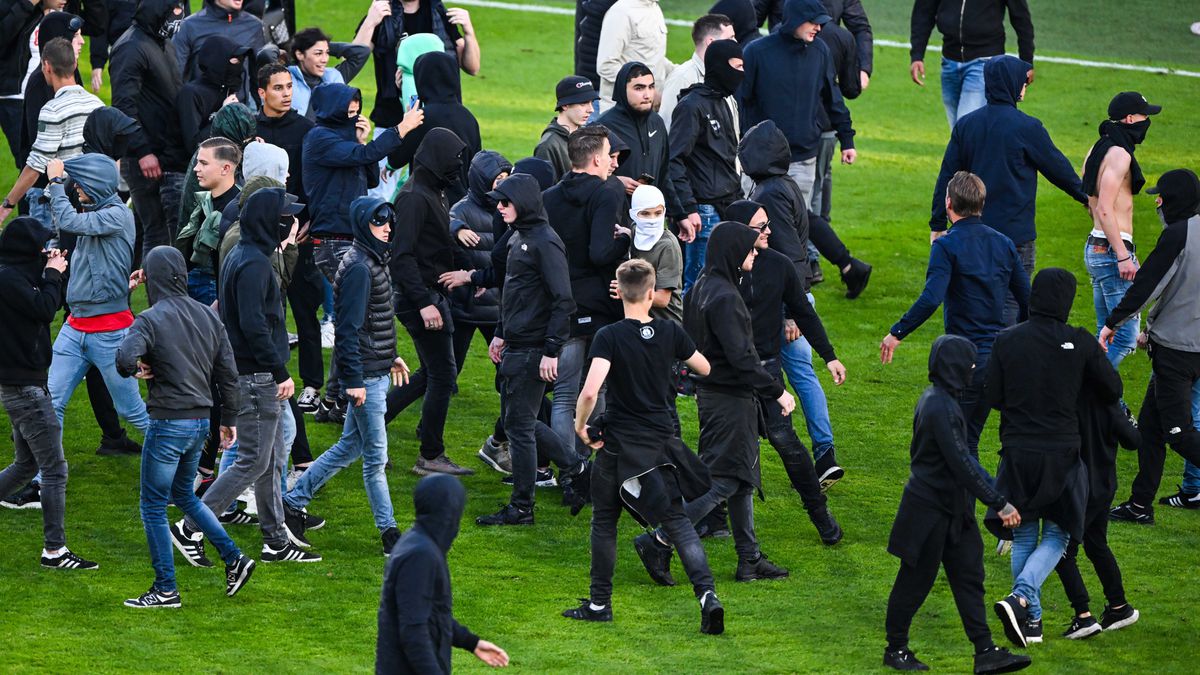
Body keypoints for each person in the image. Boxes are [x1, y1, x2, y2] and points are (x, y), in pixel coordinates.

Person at [564, 258, 725, 634]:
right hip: (660, 446)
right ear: (652, 293)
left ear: (618, 291)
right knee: (678, 523)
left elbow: (590, 391)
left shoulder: (609, 335)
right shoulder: (671, 332)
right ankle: (707, 596)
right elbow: (704, 368)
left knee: (604, 522)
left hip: (619, 445)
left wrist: (580, 425)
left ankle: (599, 603)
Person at [635, 222, 794, 582]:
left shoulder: (701, 289)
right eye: (751, 249)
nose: (756, 253)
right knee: (723, 481)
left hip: (712, 394)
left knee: (740, 478)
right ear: (735, 253)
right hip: (731, 400)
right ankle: (659, 540)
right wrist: (777, 391)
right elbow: (742, 358)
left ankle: (749, 558)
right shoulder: (725, 297)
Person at [171, 187, 320, 566]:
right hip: (255, 376)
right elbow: (255, 325)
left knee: (269, 461)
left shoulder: (245, 253)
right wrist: (281, 371)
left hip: (249, 371)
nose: (292, 220)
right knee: (253, 461)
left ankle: (274, 542)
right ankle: (191, 527)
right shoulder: (254, 263)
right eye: (285, 215)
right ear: (270, 220)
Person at [987, 268, 1122, 649]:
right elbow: (1113, 389)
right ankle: (1021, 597)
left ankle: (1032, 624)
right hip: (1061, 455)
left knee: (1025, 531)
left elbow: (994, 396)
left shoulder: (1006, 340)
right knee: (1060, 534)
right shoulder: (1079, 341)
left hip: (1016, 452)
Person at [116, 246, 255, 608]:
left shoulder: (150, 318)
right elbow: (228, 375)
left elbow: (123, 357)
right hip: (200, 425)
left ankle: (165, 589)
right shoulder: (208, 316)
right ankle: (234, 559)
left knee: (152, 506)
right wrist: (228, 421)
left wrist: (140, 367)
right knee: (185, 495)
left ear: (151, 277)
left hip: (168, 423)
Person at [882, 335, 1029, 674]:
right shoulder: (940, 407)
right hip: (930, 512)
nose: (974, 369)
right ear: (954, 367)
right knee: (915, 581)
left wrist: (998, 495)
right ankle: (896, 649)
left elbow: (964, 462)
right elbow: (961, 462)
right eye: (969, 363)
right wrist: (999, 503)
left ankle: (985, 651)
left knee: (969, 576)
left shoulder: (940, 401)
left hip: (953, 511)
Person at [283, 197, 412, 555]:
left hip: (374, 371)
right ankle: (389, 535)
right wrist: (353, 380)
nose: (388, 227)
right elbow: (349, 329)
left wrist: (391, 357)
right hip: (366, 381)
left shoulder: (372, 259)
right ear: (361, 225)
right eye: (379, 221)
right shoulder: (359, 267)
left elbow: (374, 323)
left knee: (349, 447)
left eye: (389, 220)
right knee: (375, 459)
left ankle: (292, 501)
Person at [928, 55, 1087, 326]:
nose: (1025, 88)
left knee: (973, 307)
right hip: (1016, 238)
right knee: (1012, 313)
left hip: (972, 236)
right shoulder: (1027, 127)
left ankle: (972, 362)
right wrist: (1087, 197)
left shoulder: (967, 125)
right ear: (1013, 84)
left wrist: (937, 223)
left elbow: (947, 175)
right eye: (1023, 82)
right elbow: (1058, 169)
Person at [882, 171, 1030, 453]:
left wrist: (897, 332)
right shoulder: (1004, 244)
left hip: (964, 361)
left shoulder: (946, 245)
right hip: (995, 360)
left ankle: (973, 497)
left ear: (948, 203)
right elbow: (1028, 300)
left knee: (954, 446)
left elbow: (931, 298)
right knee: (967, 440)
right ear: (981, 204)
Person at [303, 82, 422, 423]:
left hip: (350, 239)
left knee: (351, 318)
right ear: (332, 107)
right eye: (348, 105)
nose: (354, 110)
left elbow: (369, 174)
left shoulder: (342, 141)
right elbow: (363, 158)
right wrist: (400, 129)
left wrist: (362, 139)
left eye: (357, 105)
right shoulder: (320, 138)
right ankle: (341, 397)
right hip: (333, 243)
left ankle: (333, 399)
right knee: (357, 318)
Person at [475, 173, 588, 526]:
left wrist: (551, 351)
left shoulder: (544, 241)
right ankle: (577, 469)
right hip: (518, 343)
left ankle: (523, 507)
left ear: (522, 203)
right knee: (518, 421)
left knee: (520, 427)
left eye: (505, 202)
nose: (499, 207)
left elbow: (563, 300)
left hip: (533, 348)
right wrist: (499, 332)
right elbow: (513, 292)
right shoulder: (518, 237)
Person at [729, 200, 845, 542]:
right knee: (726, 451)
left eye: (767, 224)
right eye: (759, 226)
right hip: (730, 377)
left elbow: (804, 314)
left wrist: (829, 356)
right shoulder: (720, 269)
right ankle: (715, 522)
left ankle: (821, 515)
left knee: (787, 443)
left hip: (766, 371)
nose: (768, 231)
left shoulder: (778, 265)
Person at [0, 217, 98, 570]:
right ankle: (54, 551)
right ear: (27, 249)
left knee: (26, 464)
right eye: (42, 246)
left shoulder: (15, 275)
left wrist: (52, 271)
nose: (47, 251)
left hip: (22, 384)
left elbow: (48, 302)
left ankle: (55, 550)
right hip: (26, 388)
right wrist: (54, 272)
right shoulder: (8, 280)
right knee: (54, 469)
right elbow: (44, 308)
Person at [1103, 169, 1200, 526]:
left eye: (1162, 196)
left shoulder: (1178, 234)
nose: (1157, 201)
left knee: (1179, 433)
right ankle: (1141, 504)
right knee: (1150, 429)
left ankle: (1142, 503)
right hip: (1181, 345)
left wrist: (1113, 322)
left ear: (1174, 200)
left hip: (1178, 351)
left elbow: (1148, 283)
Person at [386, 127, 475, 476]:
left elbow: (435, 247)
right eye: (454, 160)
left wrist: (469, 276)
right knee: (442, 374)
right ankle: (431, 454)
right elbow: (402, 256)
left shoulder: (435, 193)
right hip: (419, 299)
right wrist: (424, 303)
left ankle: (367, 427)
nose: (458, 167)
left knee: (431, 373)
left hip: (429, 295)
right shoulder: (413, 198)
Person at [44, 153, 149, 438]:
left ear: (97, 184)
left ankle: (184, 461)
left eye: (79, 183)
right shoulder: (94, 214)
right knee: (49, 404)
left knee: (132, 411)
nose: (75, 188)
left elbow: (66, 220)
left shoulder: (116, 214)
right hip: (74, 326)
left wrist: (55, 180)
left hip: (110, 332)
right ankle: (45, 479)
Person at [542, 126, 628, 466]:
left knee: (564, 396)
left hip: (561, 305)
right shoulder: (608, 192)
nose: (611, 162)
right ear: (595, 159)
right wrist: (624, 239)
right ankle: (591, 469)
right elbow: (599, 252)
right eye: (609, 155)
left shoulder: (549, 196)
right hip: (599, 305)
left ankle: (570, 472)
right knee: (597, 390)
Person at [376, 474, 510, 672]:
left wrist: (471, 642)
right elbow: (413, 631)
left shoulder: (419, 543)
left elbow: (432, 613)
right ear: (448, 511)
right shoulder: (420, 555)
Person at [355, 0, 480, 202]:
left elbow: (473, 67)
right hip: (391, 118)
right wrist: (370, 21)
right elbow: (355, 60)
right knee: (379, 198)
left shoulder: (438, 13)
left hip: (433, 118)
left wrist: (468, 32)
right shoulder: (381, 14)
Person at [740, 0, 856, 212]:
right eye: (814, 22)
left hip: (803, 159)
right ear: (796, 20)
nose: (819, 28)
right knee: (754, 227)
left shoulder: (820, 51)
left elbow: (833, 98)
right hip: (760, 160)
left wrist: (847, 139)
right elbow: (739, 102)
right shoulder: (756, 52)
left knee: (795, 229)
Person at [254, 63, 324, 416]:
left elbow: (313, 180)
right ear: (261, 92)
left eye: (288, 87)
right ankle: (271, 376)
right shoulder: (249, 129)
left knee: (304, 308)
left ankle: (312, 384)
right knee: (268, 310)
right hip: (258, 233)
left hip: (297, 233)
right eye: (278, 88)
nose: (286, 93)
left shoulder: (305, 129)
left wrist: (308, 220)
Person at [1081, 92, 1161, 371]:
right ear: (1130, 119)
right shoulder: (1120, 155)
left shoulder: (1097, 148)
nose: (1147, 120)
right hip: (1111, 252)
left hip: (1095, 247)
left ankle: (1093, 403)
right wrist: (1123, 255)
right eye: (1143, 115)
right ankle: (1092, 394)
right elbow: (1104, 208)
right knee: (1125, 336)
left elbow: (1088, 201)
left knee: (1105, 333)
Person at [1052, 388, 1141, 639]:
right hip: (1104, 486)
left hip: (1079, 489)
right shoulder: (1109, 400)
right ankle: (1119, 607)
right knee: (1096, 544)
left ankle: (1084, 617)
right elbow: (1133, 440)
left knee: (1062, 551)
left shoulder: (1067, 397)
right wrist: (1124, 414)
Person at [107, 0, 187, 260]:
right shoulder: (131, 47)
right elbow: (123, 107)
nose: (178, 18)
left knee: (156, 231)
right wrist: (142, 151)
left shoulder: (161, 42)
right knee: (157, 232)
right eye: (173, 12)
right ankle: (161, 297)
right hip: (145, 158)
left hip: (165, 153)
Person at [1, 36, 103, 226]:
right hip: (90, 203)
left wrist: (7, 204)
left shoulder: (52, 110)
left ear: (46, 66)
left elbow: (37, 164)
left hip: (57, 206)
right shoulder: (96, 104)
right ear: (74, 65)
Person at [669, 38, 744, 292]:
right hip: (704, 212)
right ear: (720, 67)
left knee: (725, 284)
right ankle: (693, 332)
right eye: (737, 66)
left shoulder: (723, 102)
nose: (741, 73)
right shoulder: (691, 107)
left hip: (726, 205)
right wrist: (688, 209)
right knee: (700, 286)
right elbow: (674, 160)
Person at [594, 62, 691, 242]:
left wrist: (680, 215)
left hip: (651, 222)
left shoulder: (657, 123)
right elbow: (583, 175)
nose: (647, 94)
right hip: (613, 223)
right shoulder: (602, 127)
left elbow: (664, 173)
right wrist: (616, 182)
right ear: (623, 90)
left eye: (651, 87)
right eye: (639, 88)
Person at [909, 0, 1034, 129]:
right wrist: (917, 55)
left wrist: (1027, 62)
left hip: (985, 62)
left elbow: (1021, 18)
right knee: (959, 133)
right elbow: (923, 12)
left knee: (965, 128)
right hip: (949, 62)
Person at [385, 51, 481, 206]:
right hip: (463, 204)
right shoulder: (468, 117)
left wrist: (405, 115)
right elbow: (476, 164)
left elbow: (396, 158)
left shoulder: (421, 117)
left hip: (428, 204)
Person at [176, 136, 242, 306]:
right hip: (203, 288)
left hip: (221, 291)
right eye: (197, 162)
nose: (196, 169)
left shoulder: (241, 208)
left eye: (204, 163)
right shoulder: (205, 201)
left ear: (225, 168)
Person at [172, 0, 264, 104]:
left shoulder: (255, 26)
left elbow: (259, 76)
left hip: (241, 113)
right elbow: (175, 77)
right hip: (201, 113)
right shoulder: (189, 26)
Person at [658, 14, 735, 130]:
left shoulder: (723, 75)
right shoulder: (682, 79)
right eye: (730, 38)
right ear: (711, 42)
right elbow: (667, 128)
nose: (736, 42)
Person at [595, 0, 673, 111]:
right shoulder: (621, 12)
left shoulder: (654, 7)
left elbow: (652, 57)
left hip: (648, 111)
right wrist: (647, 91)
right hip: (621, 113)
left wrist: (682, 73)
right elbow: (606, 65)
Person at [176, 36, 249, 152]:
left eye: (240, 60)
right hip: (184, 166)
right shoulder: (191, 93)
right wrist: (223, 115)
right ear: (217, 61)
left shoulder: (230, 89)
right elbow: (194, 145)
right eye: (233, 60)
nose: (238, 66)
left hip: (222, 163)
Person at [287, 27, 370, 119]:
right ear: (300, 54)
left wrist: (322, 45)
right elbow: (269, 54)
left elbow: (362, 52)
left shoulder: (334, 76)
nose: (325, 60)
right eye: (318, 53)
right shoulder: (284, 78)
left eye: (327, 53)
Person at [629, 185, 683, 324]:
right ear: (634, 214)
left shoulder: (668, 246)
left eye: (658, 213)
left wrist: (627, 291)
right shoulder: (635, 231)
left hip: (666, 324)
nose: (652, 219)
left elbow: (662, 299)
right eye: (645, 214)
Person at [534, 75, 599, 180]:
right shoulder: (548, 145)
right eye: (583, 103)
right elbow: (546, 190)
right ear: (565, 105)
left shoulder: (589, 136)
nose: (591, 109)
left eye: (591, 102)